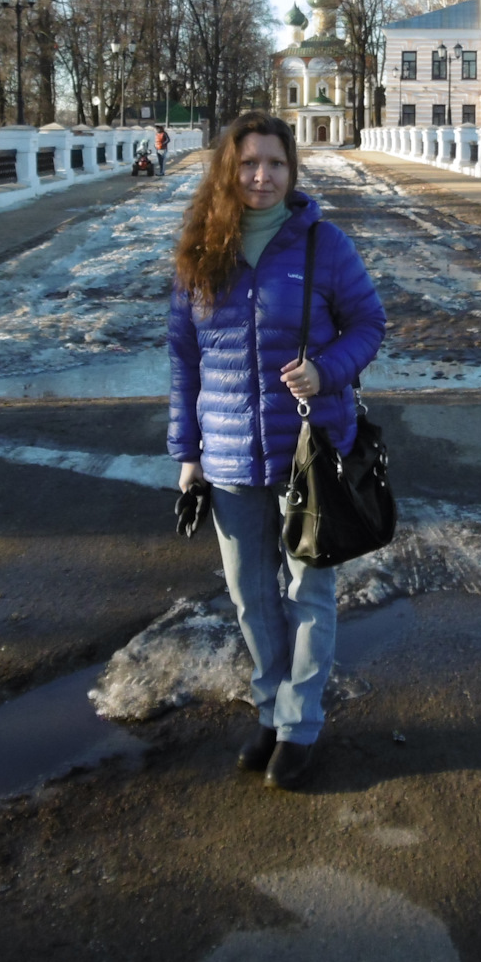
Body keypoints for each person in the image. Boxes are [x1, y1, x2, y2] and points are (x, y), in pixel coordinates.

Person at [168, 111, 385, 791]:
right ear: (227, 170)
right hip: (230, 456)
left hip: (308, 453)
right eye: (249, 163)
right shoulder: (201, 250)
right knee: (249, 596)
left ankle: (299, 722)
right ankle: (269, 707)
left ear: (293, 171)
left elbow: (370, 324)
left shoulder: (324, 245)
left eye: (276, 164)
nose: (262, 176)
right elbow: (183, 359)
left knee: (309, 592)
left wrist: (327, 370)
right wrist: (188, 454)